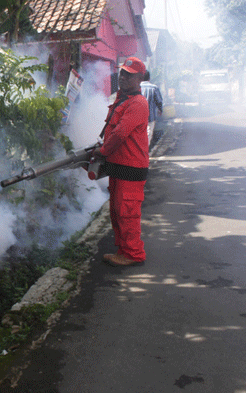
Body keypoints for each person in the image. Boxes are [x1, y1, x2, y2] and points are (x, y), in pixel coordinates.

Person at [93, 57, 149, 266]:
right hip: (120, 166)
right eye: (122, 73)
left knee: (127, 213)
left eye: (129, 75)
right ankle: (123, 250)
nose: (123, 77)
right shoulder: (123, 99)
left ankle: (133, 254)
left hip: (131, 168)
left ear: (140, 78)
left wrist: (103, 151)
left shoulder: (137, 103)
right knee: (118, 212)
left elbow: (120, 134)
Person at [141, 71, 163, 144]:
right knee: (148, 133)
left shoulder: (136, 87)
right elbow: (159, 101)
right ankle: (144, 151)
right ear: (149, 78)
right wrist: (160, 109)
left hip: (137, 116)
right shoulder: (154, 88)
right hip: (151, 116)